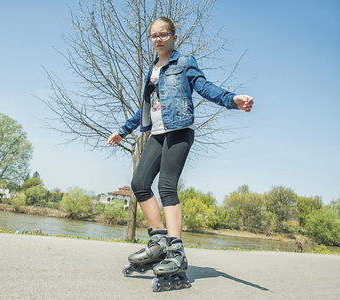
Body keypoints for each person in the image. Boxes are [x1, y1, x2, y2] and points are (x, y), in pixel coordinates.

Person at [108, 17, 253, 291]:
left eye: (163, 34)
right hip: (157, 133)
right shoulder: (152, 69)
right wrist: (123, 131)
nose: (158, 39)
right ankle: (158, 241)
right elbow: (145, 108)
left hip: (180, 131)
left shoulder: (184, 62)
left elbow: (205, 87)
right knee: (139, 184)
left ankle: (176, 251)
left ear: (174, 36)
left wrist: (232, 100)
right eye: (153, 36)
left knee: (166, 187)